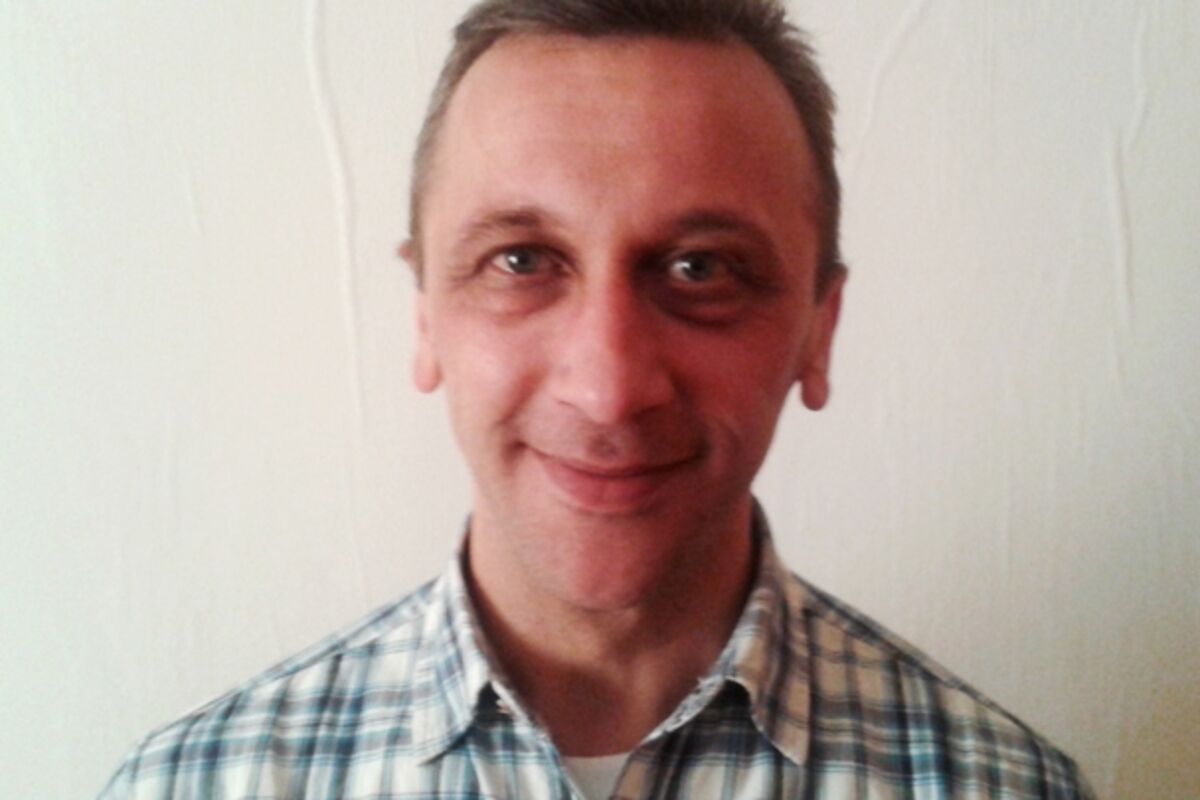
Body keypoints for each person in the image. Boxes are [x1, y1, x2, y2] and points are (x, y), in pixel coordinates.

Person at [100, 1, 1093, 798]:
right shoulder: (194, 783)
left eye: (702, 268)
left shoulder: (1005, 785)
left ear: (817, 331)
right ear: (426, 315)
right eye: (521, 261)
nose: (609, 389)